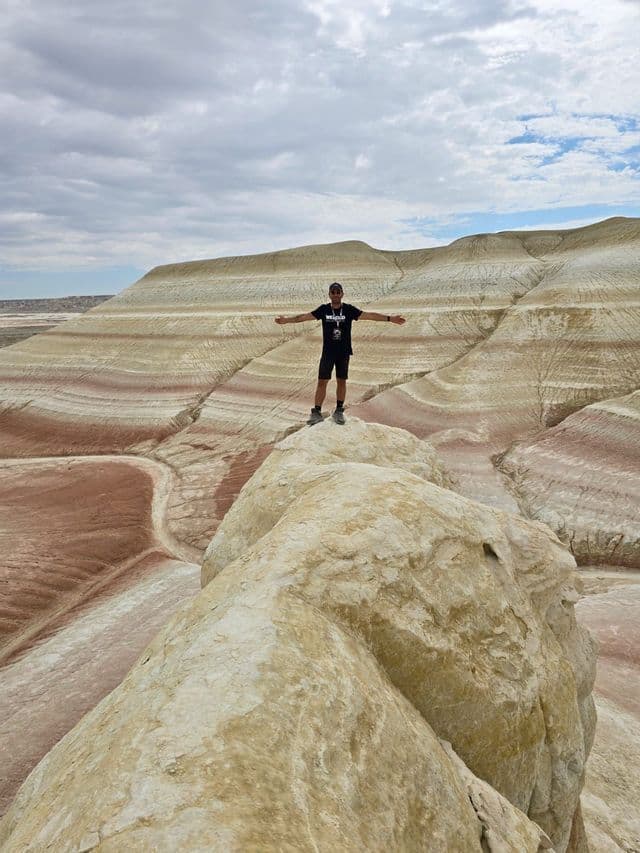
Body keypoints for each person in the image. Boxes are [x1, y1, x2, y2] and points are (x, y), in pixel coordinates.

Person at [275, 282, 406, 425]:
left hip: (343, 352)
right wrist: (285, 321)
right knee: (322, 381)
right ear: (329, 294)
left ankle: (339, 411)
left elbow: (369, 315)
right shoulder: (324, 310)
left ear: (342, 294)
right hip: (328, 352)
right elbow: (303, 317)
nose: (336, 294)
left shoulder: (348, 310)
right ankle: (316, 412)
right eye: (333, 292)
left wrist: (390, 318)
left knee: (341, 380)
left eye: (338, 292)